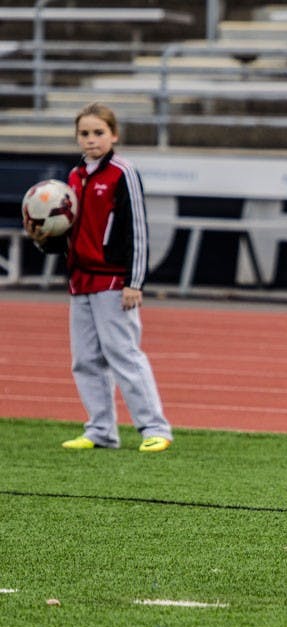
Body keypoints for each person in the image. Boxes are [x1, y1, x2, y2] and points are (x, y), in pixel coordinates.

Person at [23, 102, 173, 453]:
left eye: (98, 133)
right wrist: (45, 238)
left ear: (113, 135)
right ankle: (101, 430)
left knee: (123, 354)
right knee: (85, 359)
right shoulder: (73, 179)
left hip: (113, 281)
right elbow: (70, 233)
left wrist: (134, 282)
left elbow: (137, 230)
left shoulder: (123, 172)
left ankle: (155, 428)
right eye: (85, 134)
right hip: (81, 280)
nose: (91, 140)